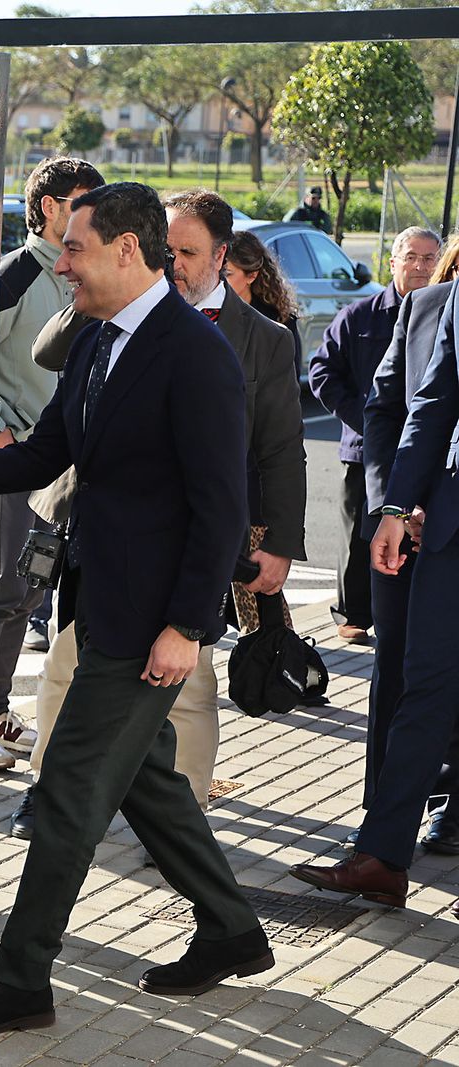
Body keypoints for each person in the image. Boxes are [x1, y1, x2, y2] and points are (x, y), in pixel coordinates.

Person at [0, 183, 270, 1036]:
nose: (61, 263)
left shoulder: (196, 353)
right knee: (145, 781)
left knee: (69, 790)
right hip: (99, 602)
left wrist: (187, 627)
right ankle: (231, 928)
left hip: (150, 625)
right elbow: (43, 455)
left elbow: (221, 507)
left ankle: (19, 982)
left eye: (74, 248)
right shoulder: (97, 340)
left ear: (127, 250)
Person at [10, 190, 307, 843]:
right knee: (68, 659)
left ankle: (182, 817)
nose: (170, 262)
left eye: (186, 252)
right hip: (99, 529)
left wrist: (281, 542)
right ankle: (49, 789)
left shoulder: (260, 341)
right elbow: (46, 354)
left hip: (189, 541)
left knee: (186, 681)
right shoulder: (111, 310)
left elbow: (281, 449)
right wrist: (94, 297)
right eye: (162, 248)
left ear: (222, 257)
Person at [292, 277, 459, 906]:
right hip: (450, 530)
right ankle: (383, 857)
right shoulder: (455, 301)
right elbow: (431, 404)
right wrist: (393, 506)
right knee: (424, 685)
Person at [0, 157, 102, 772]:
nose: (95, 213)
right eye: (84, 201)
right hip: (15, 464)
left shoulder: (83, 274)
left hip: (63, 468)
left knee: (30, 591)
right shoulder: (12, 275)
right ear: (50, 206)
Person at [356, 234, 459, 857]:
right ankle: (381, 844)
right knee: (411, 678)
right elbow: (412, 408)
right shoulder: (438, 305)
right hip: (432, 528)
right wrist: (395, 506)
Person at [309, 226, 441, 644]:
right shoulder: (359, 316)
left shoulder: (442, 316)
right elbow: (322, 373)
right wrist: (364, 420)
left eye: (429, 258)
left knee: (419, 531)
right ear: (393, 262)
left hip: (426, 450)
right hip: (366, 449)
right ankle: (353, 614)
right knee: (359, 535)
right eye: (411, 257)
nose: (420, 266)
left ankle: (410, 612)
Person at [225, 230, 303, 378]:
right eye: (216, 271)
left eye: (227, 274)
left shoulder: (279, 322)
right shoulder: (203, 312)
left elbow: (288, 383)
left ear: (252, 276)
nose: (220, 279)